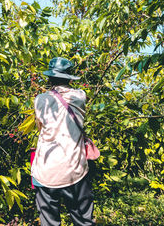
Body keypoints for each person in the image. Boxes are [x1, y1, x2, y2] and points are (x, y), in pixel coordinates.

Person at [31, 57, 94, 226]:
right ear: (69, 78)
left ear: (50, 78)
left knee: (49, 222)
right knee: (83, 221)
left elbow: (41, 126)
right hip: (74, 168)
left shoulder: (40, 100)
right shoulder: (80, 96)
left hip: (45, 169)